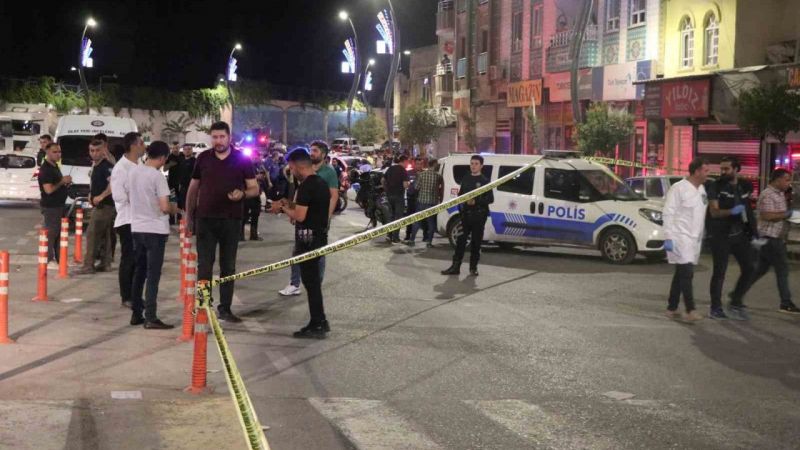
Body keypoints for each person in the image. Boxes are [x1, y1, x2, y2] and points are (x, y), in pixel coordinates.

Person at [186, 121, 259, 323]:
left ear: (229, 138)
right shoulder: (203, 158)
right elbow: (193, 188)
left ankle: (225, 308)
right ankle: (203, 306)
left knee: (228, 266)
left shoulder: (242, 159)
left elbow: (254, 188)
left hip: (231, 220)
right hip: (205, 220)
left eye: (222, 137)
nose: (218, 141)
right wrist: (189, 216)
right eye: (215, 137)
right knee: (204, 266)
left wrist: (242, 194)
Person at [276, 148, 331, 338]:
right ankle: (320, 321)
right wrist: (288, 204)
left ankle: (318, 324)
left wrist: (282, 208)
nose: (291, 172)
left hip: (308, 241)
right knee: (313, 283)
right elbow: (309, 209)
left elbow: (299, 216)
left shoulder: (307, 186)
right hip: (318, 237)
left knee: (311, 284)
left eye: (291, 168)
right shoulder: (320, 183)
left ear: (297, 166)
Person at [128, 141, 179, 329]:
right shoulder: (157, 177)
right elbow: (165, 207)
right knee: (153, 275)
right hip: (155, 230)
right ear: (163, 157)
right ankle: (151, 316)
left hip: (137, 227)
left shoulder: (133, 172)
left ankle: (136, 314)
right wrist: (175, 208)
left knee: (139, 272)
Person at [276, 141, 337, 296]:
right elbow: (300, 194)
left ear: (323, 154)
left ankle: (315, 285)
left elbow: (333, 196)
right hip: (304, 220)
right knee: (298, 251)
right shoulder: (305, 174)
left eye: (315, 150)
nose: (312, 153)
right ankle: (295, 283)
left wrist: (326, 217)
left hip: (315, 222)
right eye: (311, 150)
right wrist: (292, 207)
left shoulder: (328, 172)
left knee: (315, 254)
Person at [739, 169, 800, 314]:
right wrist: (787, 215)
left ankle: (737, 295)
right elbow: (767, 216)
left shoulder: (779, 194)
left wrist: (791, 217)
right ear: (777, 180)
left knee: (759, 270)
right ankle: (785, 302)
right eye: (786, 179)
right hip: (770, 238)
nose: (789, 183)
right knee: (782, 270)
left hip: (774, 238)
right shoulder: (768, 194)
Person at [705, 156, 756, 320]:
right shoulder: (715, 186)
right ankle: (715, 308)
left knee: (750, 268)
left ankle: (735, 301)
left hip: (739, 234)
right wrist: (731, 212)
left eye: (726, 169)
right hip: (720, 235)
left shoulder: (744, 186)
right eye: (721, 168)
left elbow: (748, 210)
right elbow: (714, 212)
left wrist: (754, 232)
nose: (722, 172)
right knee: (720, 272)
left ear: (736, 169)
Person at [662, 158, 709, 322]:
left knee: (681, 273)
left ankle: (671, 308)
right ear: (696, 172)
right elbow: (668, 213)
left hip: (694, 239)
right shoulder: (678, 188)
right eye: (705, 171)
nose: (708, 174)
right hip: (680, 237)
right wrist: (668, 236)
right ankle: (690, 310)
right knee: (687, 273)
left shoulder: (701, 189)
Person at [441, 155, 493, 276]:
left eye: (476, 164)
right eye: (472, 163)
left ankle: (473, 268)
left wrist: (476, 201)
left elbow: (490, 199)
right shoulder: (466, 178)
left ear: (481, 166)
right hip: (465, 216)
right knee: (460, 241)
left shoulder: (485, 181)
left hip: (479, 216)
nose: (473, 166)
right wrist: (462, 203)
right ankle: (455, 267)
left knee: (475, 243)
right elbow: (461, 194)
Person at [111, 132, 146, 309]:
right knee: (129, 259)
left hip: (141, 220)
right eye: (141, 143)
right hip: (127, 220)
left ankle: (136, 295)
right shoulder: (121, 168)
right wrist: (139, 198)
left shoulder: (140, 164)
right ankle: (127, 296)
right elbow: (118, 195)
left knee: (140, 260)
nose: (144, 146)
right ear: (133, 146)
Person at [74, 139, 116, 275]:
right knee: (104, 235)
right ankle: (105, 263)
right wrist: (91, 194)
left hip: (105, 205)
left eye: (98, 150)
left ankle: (88, 265)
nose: (94, 153)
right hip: (100, 205)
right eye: (92, 150)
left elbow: (113, 184)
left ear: (103, 150)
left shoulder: (106, 166)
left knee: (92, 234)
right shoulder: (96, 166)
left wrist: (101, 196)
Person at [37, 143, 72, 268]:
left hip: (59, 205)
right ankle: (48, 260)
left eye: (59, 152)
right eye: (55, 152)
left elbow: (56, 185)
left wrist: (65, 184)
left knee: (58, 234)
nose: (58, 154)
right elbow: (48, 190)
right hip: (51, 206)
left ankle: (59, 260)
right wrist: (62, 181)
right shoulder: (46, 169)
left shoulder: (55, 166)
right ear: (47, 152)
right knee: (51, 233)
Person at [408, 159, 443, 248]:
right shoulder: (438, 176)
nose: (438, 166)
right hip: (432, 202)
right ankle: (429, 242)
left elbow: (416, 187)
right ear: (434, 165)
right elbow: (440, 189)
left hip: (421, 201)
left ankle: (412, 240)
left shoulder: (421, 175)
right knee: (431, 223)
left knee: (417, 222)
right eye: (437, 164)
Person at [241, 152, 269, 241]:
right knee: (244, 215)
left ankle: (253, 235)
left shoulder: (258, 166)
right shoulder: (245, 166)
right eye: (257, 157)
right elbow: (243, 178)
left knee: (255, 214)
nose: (258, 158)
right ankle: (240, 235)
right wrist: (257, 177)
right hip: (248, 193)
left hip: (256, 193)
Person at [383, 155, 410, 243]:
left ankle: (389, 235)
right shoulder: (403, 171)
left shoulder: (390, 168)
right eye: (407, 162)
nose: (407, 164)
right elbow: (405, 185)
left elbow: (382, 180)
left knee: (391, 215)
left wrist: (386, 189)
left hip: (389, 195)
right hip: (399, 196)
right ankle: (395, 237)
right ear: (404, 161)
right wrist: (408, 185)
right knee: (398, 217)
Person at [164, 142, 184, 225]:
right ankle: (171, 220)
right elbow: (164, 169)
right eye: (174, 148)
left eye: (177, 148)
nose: (175, 150)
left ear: (179, 148)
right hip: (172, 183)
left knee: (180, 202)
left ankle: (179, 219)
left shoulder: (182, 156)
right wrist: (170, 164)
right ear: (172, 149)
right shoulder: (169, 157)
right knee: (172, 201)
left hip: (181, 183)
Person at [177, 143, 196, 220]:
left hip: (192, 187)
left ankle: (192, 222)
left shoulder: (195, 161)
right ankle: (185, 222)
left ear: (192, 150)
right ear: (183, 151)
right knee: (183, 205)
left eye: (189, 149)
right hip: (183, 187)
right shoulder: (181, 161)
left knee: (192, 205)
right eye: (185, 149)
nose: (187, 151)